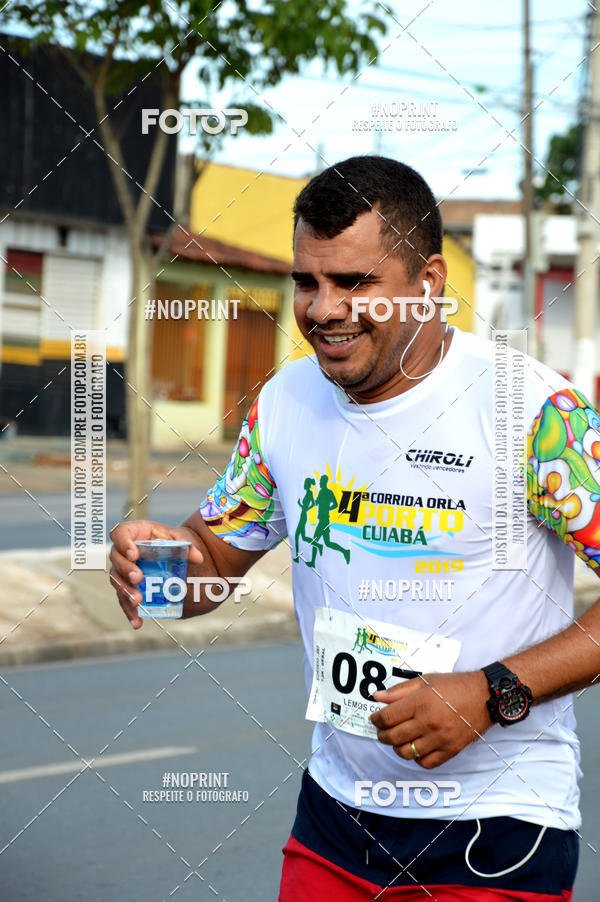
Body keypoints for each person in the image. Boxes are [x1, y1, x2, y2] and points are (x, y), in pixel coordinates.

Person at [109, 155, 600, 901]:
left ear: (427, 283)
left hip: (497, 827)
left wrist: (494, 691)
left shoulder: (535, 412)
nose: (323, 308)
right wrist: (158, 569)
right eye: (308, 281)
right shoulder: (285, 401)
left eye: (355, 283)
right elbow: (214, 556)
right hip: (337, 822)